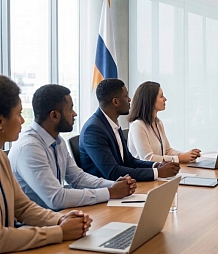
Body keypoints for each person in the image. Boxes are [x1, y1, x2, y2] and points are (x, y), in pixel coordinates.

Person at [0, 75, 92, 252]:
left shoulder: (1, 158)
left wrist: (59, 220)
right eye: (18, 114)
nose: (22, 120)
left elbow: (23, 207)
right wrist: (59, 232)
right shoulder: (28, 145)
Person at [8, 84, 136, 211]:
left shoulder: (58, 141)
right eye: (70, 109)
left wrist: (115, 185)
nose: (74, 114)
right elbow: (56, 198)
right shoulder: (29, 148)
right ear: (54, 116)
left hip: (57, 216)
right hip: (35, 225)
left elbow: (78, 178)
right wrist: (110, 192)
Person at [80, 78, 180, 181]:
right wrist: (157, 172)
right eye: (126, 96)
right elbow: (112, 172)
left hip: (122, 186)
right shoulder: (93, 130)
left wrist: (156, 165)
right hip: (105, 192)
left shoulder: (112, 124)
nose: (129, 99)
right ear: (115, 102)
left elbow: (129, 161)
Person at [127, 81, 201, 163]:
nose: (165, 99)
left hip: (160, 171)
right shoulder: (138, 125)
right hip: (145, 173)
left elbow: (167, 151)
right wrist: (180, 158)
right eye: (161, 96)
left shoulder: (158, 123)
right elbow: (148, 159)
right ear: (150, 100)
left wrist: (188, 155)